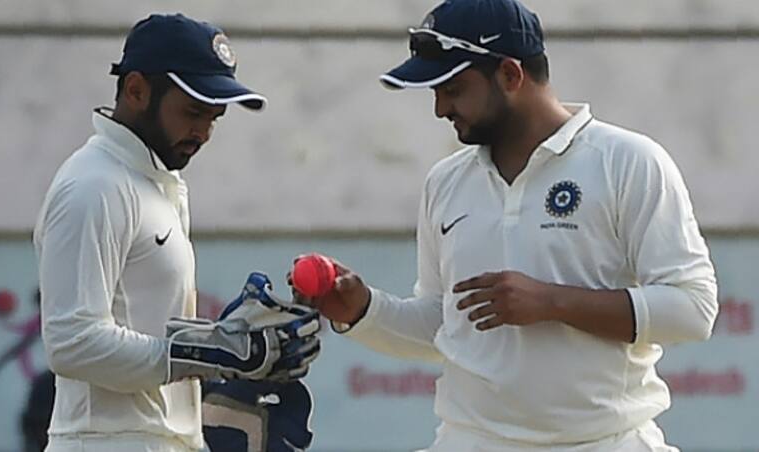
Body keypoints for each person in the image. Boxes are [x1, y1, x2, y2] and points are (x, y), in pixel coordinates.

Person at [304, 0, 719, 451]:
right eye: (435, 93)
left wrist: (552, 301)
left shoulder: (627, 162)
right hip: (469, 440)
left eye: (454, 88)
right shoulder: (446, 182)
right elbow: (447, 327)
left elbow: (692, 309)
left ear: (510, 75)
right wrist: (363, 310)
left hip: (607, 441)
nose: (441, 108)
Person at [34, 14, 320, 452]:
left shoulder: (154, 182)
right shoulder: (93, 185)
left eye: (214, 118)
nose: (203, 133)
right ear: (136, 90)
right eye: (192, 112)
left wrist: (228, 341)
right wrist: (216, 352)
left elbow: (150, 335)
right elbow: (72, 343)